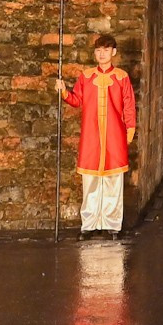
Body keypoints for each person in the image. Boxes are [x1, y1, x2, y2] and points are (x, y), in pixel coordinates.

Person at [55, 34, 137, 238]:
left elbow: (129, 105)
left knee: (113, 181)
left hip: (114, 135)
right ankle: (89, 224)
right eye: (99, 50)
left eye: (106, 50)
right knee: (90, 181)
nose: (102, 54)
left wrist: (130, 130)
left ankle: (112, 224)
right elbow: (77, 100)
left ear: (113, 52)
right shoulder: (86, 76)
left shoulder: (122, 77)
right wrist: (64, 92)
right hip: (91, 136)